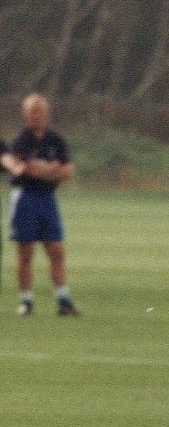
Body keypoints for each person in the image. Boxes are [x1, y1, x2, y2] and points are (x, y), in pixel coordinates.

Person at [7, 94, 78, 316]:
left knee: (55, 249)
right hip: (25, 198)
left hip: (47, 199)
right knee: (25, 251)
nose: (35, 115)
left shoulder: (55, 139)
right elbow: (24, 167)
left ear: (46, 114)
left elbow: (68, 170)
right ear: (25, 114)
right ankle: (26, 301)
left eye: (39, 111)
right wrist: (51, 170)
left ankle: (63, 300)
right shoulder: (21, 139)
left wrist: (45, 170)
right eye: (31, 111)